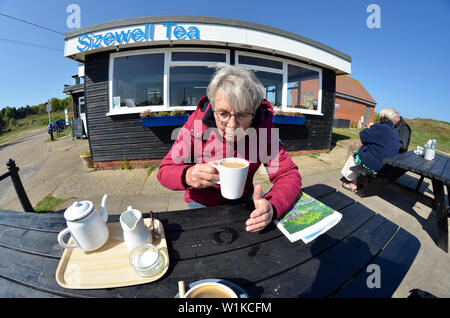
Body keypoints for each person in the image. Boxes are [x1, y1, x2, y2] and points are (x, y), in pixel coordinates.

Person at [157, 64, 302, 232]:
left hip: (244, 203)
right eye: (223, 114)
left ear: (254, 111)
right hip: (199, 203)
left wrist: (273, 205)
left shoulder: (264, 130)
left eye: (242, 115)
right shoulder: (195, 125)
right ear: (212, 105)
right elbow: (165, 170)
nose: (232, 125)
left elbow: (288, 174)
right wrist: (186, 175)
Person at [341, 108, 400, 192]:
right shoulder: (394, 131)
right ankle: (364, 181)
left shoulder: (380, 127)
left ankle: (353, 184)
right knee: (370, 154)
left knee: (355, 156)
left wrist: (368, 128)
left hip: (379, 164)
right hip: (387, 165)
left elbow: (363, 136)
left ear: (383, 117)